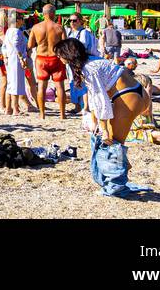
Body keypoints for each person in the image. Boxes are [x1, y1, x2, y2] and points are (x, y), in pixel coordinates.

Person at [54, 38, 152, 198]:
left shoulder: (89, 68)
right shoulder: (91, 61)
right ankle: (120, 176)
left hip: (129, 97)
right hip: (136, 92)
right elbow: (96, 96)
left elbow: (100, 100)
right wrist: (96, 122)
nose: (59, 59)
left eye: (60, 55)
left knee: (112, 143)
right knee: (111, 143)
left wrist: (104, 128)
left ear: (68, 54)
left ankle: (117, 186)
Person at [2, 14, 31, 115]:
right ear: (18, 20)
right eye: (22, 19)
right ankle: (15, 109)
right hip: (15, 60)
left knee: (11, 84)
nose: (23, 21)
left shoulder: (9, 31)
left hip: (10, 59)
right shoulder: (16, 31)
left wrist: (5, 57)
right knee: (16, 84)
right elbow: (16, 46)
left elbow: (4, 46)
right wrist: (22, 59)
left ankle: (8, 108)